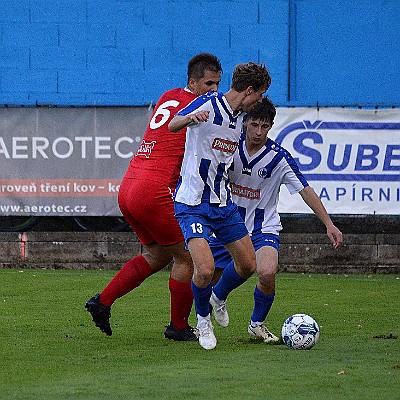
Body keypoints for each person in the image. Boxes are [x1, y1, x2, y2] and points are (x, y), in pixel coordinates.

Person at [85, 53, 222, 341]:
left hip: (130, 186)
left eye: (217, 84)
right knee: (189, 259)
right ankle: (178, 327)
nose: (213, 91)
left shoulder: (169, 95)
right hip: (154, 191)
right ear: (192, 82)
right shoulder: (198, 107)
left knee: (157, 254)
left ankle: (102, 302)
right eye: (208, 83)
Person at [208, 96, 343, 342]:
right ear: (245, 122)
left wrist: (328, 223)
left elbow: (305, 189)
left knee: (267, 272)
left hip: (263, 227)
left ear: (271, 126)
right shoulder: (229, 147)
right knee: (203, 273)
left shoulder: (278, 157)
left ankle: (256, 324)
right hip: (227, 224)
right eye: (254, 125)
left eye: (265, 126)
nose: (259, 132)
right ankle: (204, 310)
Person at [168, 62, 272, 350]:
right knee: (203, 270)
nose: (260, 100)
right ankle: (203, 321)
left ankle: (217, 298)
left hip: (222, 203)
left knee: (249, 264)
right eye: (260, 94)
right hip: (192, 203)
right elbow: (172, 124)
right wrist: (190, 118)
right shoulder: (209, 104)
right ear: (249, 90)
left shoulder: (242, 118)